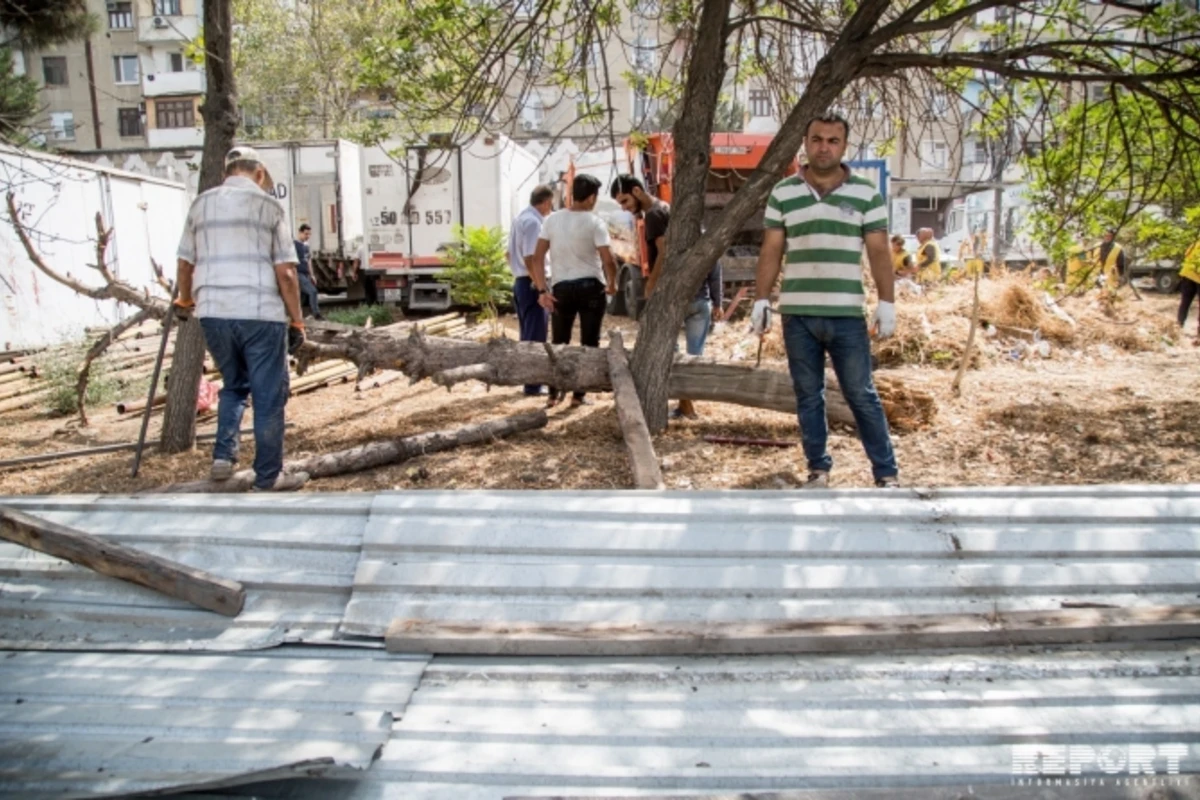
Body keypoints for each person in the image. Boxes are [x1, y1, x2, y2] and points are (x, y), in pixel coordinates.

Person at [751, 112, 899, 489]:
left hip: (847, 313)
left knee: (861, 394)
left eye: (833, 141)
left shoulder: (866, 193)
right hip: (797, 313)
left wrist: (887, 302)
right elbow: (771, 250)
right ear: (805, 142)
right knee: (808, 396)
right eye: (817, 139)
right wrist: (761, 300)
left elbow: (879, 251)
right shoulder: (784, 192)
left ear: (844, 146)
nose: (824, 147)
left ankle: (886, 473)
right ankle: (818, 470)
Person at [173, 145, 307, 492]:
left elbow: (185, 262)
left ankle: (223, 458)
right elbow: (287, 273)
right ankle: (268, 477)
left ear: (226, 172)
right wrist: (297, 321)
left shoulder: (200, 204)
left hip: (213, 312)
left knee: (233, 386)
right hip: (260, 312)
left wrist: (186, 299)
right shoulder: (268, 205)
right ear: (259, 173)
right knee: (268, 395)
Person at [529, 173, 618, 407]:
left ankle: (553, 393)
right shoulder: (595, 222)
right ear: (590, 198)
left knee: (559, 342)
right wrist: (612, 283)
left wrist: (541, 290)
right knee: (589, 343)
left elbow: (537, 258)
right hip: (591, 287)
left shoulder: (552, 220)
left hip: (562, 288)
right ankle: (579, 396)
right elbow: (608, 260)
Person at [507, 184, 556, 396]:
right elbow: (531, 258)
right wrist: (540, 287)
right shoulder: (534, 223)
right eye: (550, 203)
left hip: (521, 282)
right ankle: (533, 384)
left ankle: (528, 380)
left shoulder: (520, 218)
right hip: (532, 283)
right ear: (545, 202)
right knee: (536, 335)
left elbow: (507, 254)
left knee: (527, 334)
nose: (550, 208)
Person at [671, 260, 723, 419]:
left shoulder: (675, 245)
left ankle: (684, 401)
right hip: (700, 303)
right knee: (694, 355)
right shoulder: (709, 246)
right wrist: (718, 304)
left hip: (674, 303)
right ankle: (686, 400)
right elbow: (715, 279)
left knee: (672, 353)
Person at [609, 174, 671, 295]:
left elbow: (664, 252)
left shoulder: (653, 215)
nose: (624, 208)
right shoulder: (661, 206)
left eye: (625, 201)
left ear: (636, 191)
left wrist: (651, 284)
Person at [294, 224, 322, 320]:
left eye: (309, 234)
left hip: (305, 274)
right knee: (313, 291)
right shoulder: (294, 245)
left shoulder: (306, 246)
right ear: (300, 232)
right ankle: (316, 314)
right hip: (298, 273)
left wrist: (312, 275)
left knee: (302, 297)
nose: (308, 236)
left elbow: (309, 260)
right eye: (306, 234)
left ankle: (296, 317)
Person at [1178, 239, 1200, 341]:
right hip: (1198, 277)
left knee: (1185, 302)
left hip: (1187, 275)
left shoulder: (1195, 243)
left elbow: (1186, 254)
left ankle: (1178, 325)